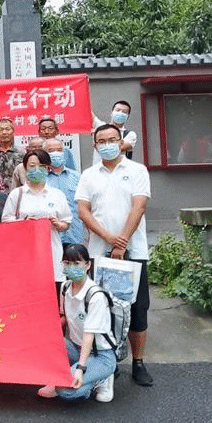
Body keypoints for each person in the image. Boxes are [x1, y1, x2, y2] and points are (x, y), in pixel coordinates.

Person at [76, 123, 152, 387]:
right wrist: (109, 238)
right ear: (95, 145)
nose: (107, 145)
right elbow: (83, 211)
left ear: (121, 142)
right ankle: (108, 361)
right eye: (101, 141)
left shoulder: (137, 170)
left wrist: (122, 242)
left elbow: (138, 207)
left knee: (137, 307)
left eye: (112, 140)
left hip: (133, 251)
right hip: (99, 253)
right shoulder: (89, 175)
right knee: (103, 307)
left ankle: (138, 362)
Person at [37, 244, 115, 402]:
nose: (71, 267)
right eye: (67, 263)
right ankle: (82, 376)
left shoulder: (95, 296)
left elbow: (89, 335)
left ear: (87, 265)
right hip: (75, 348)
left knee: (65, 391)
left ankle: (101, 378)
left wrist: (80, 368)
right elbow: (65, 317)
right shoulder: (65, 287)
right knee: (44, 339)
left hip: (100, 354)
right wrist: (43, 334)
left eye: (76, 263)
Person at [2, 150, 72, 287]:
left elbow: (67, 222)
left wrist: (58, 224)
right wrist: (23, 223)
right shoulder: (17, 194)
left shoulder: (56, 195)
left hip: (51, 252)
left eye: (41, 166)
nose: (37, 169)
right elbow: (5, 222)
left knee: (52, 290)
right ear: (25, 168)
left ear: (48, 168)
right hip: (23, 253)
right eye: (32, 166)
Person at [44, 138, 85, 246]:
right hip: (51, 232)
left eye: (59, 150)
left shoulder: (77, 176)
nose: (56, 153)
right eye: (51, 150)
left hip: (74, 232)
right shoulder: (41, 178)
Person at [0, 117, 22, 193]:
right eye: (1, 130)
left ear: (13, 132)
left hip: (16, 192)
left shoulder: (21, 152)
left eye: (7, 129)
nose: (4, 132)